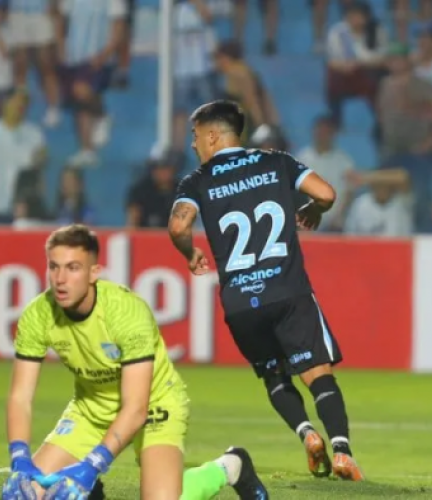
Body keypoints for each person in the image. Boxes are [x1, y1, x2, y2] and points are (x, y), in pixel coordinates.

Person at [167, 100, 363, 481]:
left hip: (241, 301)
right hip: (287, 290)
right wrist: (313, 211)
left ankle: (307, 435)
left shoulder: (197, 180)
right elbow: (326, 194)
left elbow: (178, 228)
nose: (193, 145)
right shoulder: (276, 161)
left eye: (194, 137)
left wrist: (190, 252)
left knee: (273, 376)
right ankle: (341, 450)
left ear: (212, 135)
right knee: (317, 372)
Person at [1, 224, 268, 500]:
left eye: (73, 268)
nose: (60, 279)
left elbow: (136, 408)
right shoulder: (37, 314)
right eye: (54, 267)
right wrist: (20, 459)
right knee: (28, 494)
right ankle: (91, 494)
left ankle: (229, 467)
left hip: (154, 404)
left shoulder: (127, 312)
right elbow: (20, 396)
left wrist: (92, 465)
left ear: (94, 272)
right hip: (91, 409)